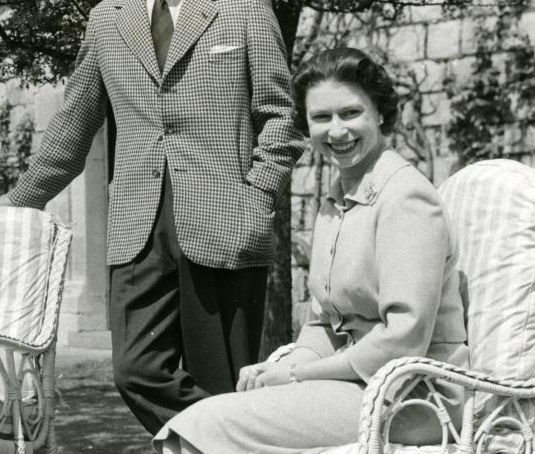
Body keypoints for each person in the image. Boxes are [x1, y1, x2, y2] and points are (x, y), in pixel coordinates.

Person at [0, 0, 302, 434]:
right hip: (137, 231)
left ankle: (225, 436)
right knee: (135, 370)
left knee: (224, 377)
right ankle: (239, 439)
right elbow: (73, 128)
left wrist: (257, 198)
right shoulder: (107, 20)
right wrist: (16, 204)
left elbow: (279, 117)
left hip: (225, 222)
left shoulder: (245, 6)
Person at [153, 47, 469, 453]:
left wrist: (299, 375)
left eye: (351, 113)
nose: (336, 131)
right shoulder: (337, 199)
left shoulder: (406, 198)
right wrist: (282, 365)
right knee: (205, 422)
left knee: (202, 426)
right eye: (321, 118)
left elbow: (402, 339)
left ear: (382, 115)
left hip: (415, 397)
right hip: (361, 385)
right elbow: (325, 322)